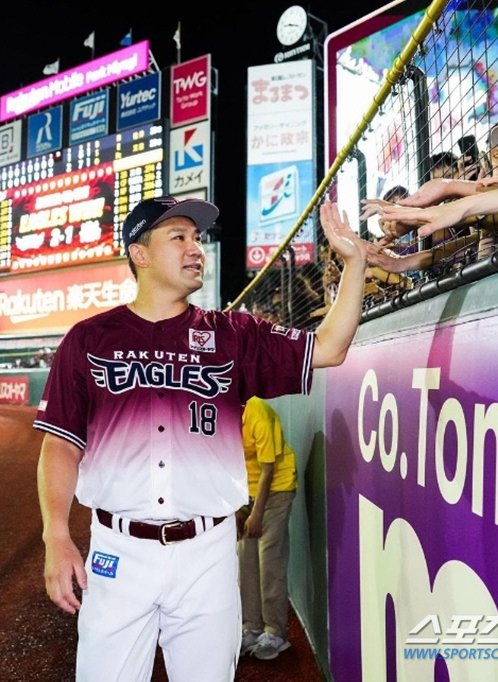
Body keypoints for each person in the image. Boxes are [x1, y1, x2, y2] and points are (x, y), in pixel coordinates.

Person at [34, 195, 366, 682]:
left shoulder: (233, 334)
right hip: (118, 551)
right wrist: (56, 535)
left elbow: (332, 347)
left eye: (198, 238)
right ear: (139, 254)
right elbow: (61, 444)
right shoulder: (88, 340)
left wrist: (354, 263)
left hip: (207, 554)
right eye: (179, 237)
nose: (196, 249)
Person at [237, 396, 297, 661]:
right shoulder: (222, 412)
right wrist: (237, 506)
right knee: (245, 562)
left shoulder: (257, 411)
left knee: (268, 561)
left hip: (275, 491)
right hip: (245, 493)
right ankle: (251, 627)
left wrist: (256, 514)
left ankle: (276, 632)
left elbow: (268, 468)